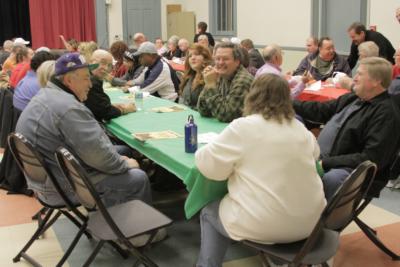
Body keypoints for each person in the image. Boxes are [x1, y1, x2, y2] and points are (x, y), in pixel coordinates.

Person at [195, 74, 326, 267]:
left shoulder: (243, 126)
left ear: (252, 95)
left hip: (266, 224)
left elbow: (210, 168)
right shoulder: (299, 128)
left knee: (209, 210)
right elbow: (315, 155)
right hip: (312, 223)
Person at [16, 52, 151, 208]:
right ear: (68, 81)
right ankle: (136, 229)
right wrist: (125, 165)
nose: (90, 84)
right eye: (86, 78)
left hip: (44, 181)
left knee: (121, 151)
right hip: (61, 188)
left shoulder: (46, 94)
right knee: (138, 178)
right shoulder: (69, 108)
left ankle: (118, 212)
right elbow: (97, 156)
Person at [294, 57, 400, 200]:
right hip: (326, 159)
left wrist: (326, 163)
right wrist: (289, 103)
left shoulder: (386, 114)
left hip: (351, 170)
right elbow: (321, 110)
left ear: (376, 81)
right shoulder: (354, 98)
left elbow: (371, 158)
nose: (354, 78)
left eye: (360, 74)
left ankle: (325, 219)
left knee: (333, 178)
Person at [197, 42, 254, 122]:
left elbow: (225, 116)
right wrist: (208, 83)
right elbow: (203, 109)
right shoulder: (220, 74)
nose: (220, 62)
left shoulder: (243, 80)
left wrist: (210, 85)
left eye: (225, 59)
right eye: (217, 59)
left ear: (237, 62)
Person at [84, 50, 136, 122]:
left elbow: (97, 105)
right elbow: (105, 112)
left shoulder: (90, 76)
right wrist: (125, 109)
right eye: (103, 63)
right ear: (91, 62)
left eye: (109, 65)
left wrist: (111, 106)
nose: (106, 68)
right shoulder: (90, 81)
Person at [179, 44, 213, 109]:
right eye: (190, 56)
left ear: (205, 58)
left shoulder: (210, 76)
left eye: (197, 54)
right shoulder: (189, 76)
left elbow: (208, 106)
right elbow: (182, 99)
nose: (192, 58)